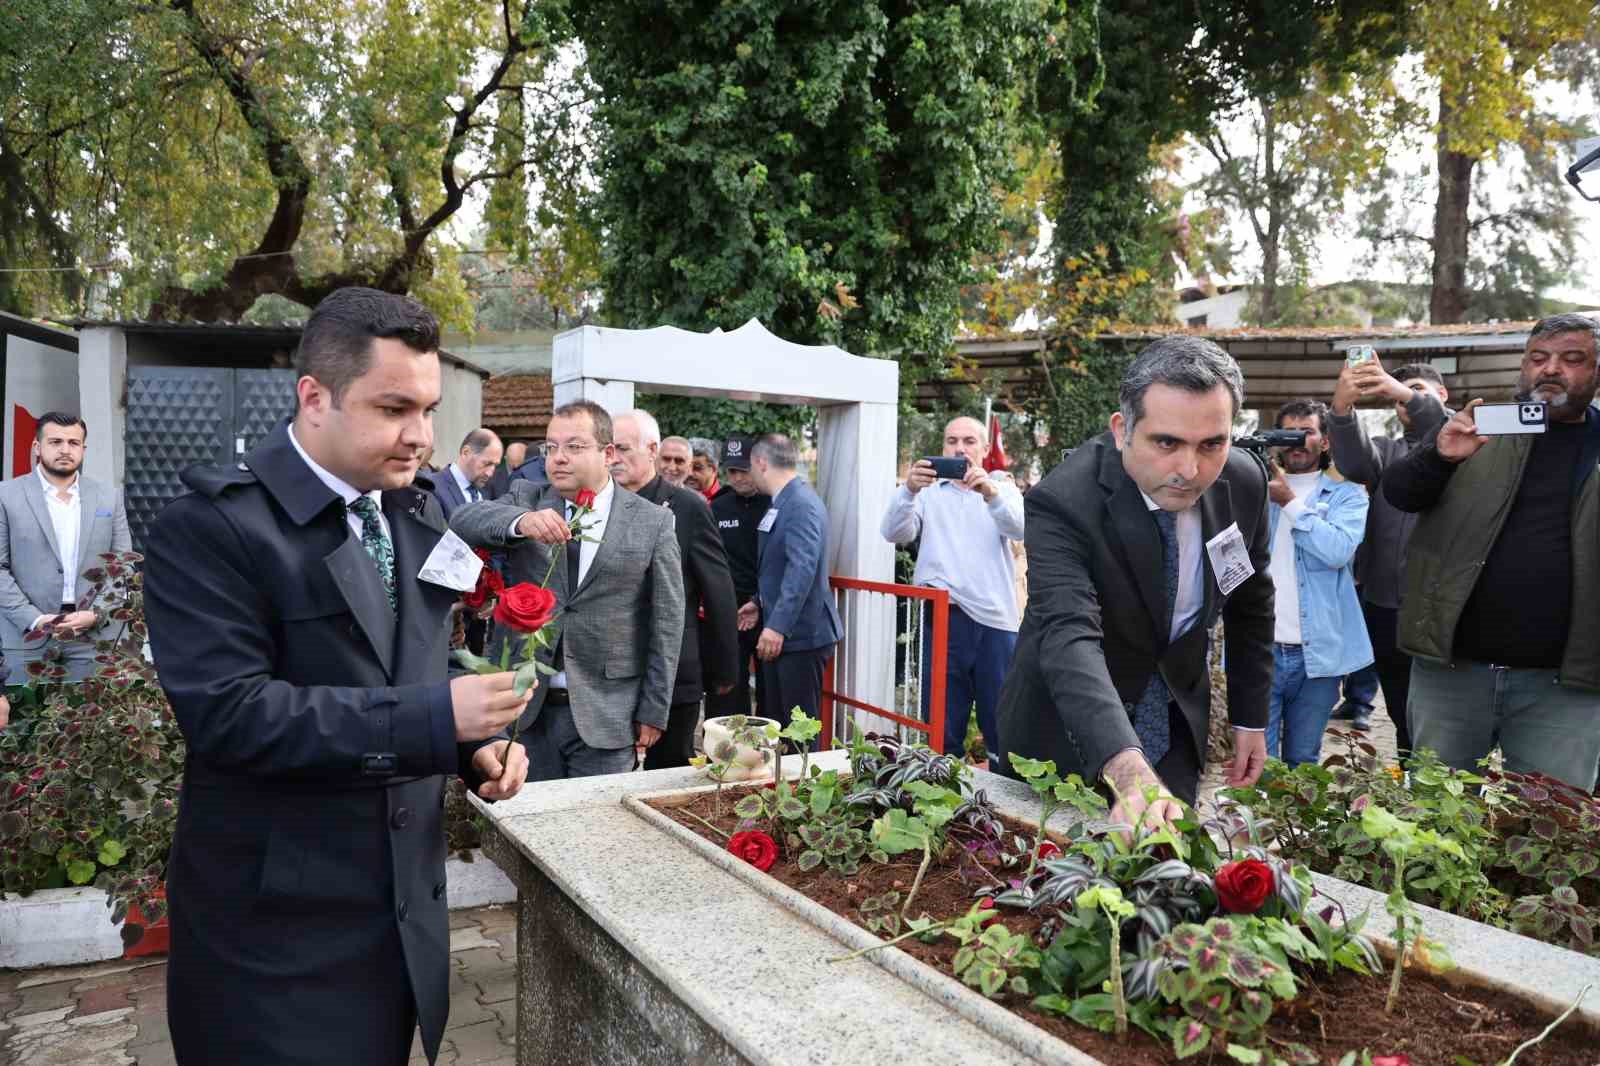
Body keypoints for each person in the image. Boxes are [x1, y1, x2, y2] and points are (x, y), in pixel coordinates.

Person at [141, 287, 531, 1065]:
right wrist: (435, 720)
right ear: (313, 397)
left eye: (428, 409)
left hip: (397, 929)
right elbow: (232, 716)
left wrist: (467, 749)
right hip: (276, 949)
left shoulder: (413, 513)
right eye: (393, 408)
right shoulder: (212, 528)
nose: (420, 435)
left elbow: (403, 671)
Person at [994, 337, 1273, 829]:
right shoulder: (1063, 501)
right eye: (1166, 443)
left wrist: (1249, 717)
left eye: (1212, 444)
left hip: (1175, 727)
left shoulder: (1245, 483)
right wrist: (1125, 768)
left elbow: (1250, 601)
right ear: (1123, 429)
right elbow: (1068, 633)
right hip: (1065, 732)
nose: (1189, 471)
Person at [1383, 312, 1600, 789]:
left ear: (1596, 372)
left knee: (1552, 837)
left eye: (1572, 359)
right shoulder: (1483, 426)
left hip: (1565, 687)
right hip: (1453, 672)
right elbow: (1399, 493)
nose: (1551, 369)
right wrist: (1439, 456)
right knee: (1431, 830)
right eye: (1538, 358)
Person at [451, 401, 685, 780]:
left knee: (597, 832)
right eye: (551, 447)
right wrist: (522, 522)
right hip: (524, 709)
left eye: (574, 447)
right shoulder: (526, 496)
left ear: (607, 454)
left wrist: (654, 709)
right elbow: (463, 519)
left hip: (607, 715)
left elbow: (667, 622)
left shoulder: (652, 522)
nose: (558, 458)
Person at [881, 416, 1024, 759]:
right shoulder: (928, 493)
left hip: (995, 620)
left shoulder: (1002, 487)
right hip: (942, 617)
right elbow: (894, 533)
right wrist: (909, 490)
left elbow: (1021, 530)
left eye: (969, 441)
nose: (959, 448)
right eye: (951, 441)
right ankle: (945, 799)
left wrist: (989, 492)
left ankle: (1007, 799)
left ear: (985, 449)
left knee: (1001, 721)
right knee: (942, 721)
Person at [1327, 359, 1450, 752]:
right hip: (1386, 604)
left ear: (1442, 396)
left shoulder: (1468, 446)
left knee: (1443, 713)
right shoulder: (1386, 451)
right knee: (1399, 707)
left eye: (1415, 391)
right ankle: (1409, 777)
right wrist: (1342, 409)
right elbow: (1353, 461)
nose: (1403, 403)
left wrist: (1403, 391)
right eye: (1397, 398)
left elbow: (1441, 425)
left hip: (1442, 607)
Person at [612, 410, 739, 768]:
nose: (614, 458)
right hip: (610, 673)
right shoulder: (599, 503)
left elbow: (718, 591)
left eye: (623, 448)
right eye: (610, 448)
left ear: (650, 449)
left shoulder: (687, 507)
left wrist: (724, 669)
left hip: (673, 671)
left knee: (666, 773)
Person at [1263, 400, 1373, 769]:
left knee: (1302, 762)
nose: (1297, 441)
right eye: (1288, 432)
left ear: (1325, 441)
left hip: (1319, 656)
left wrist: (1290, 504)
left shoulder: (1347, 494)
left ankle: (1292, 830)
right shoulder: (1253, 489)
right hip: (1259, 649)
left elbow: (1338, 550)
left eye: (1306, 431)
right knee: (1258, 761)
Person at [0, 412, 132, 683]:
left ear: (83, 449)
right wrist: (35, 619)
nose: (64, 450)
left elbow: (122, 564)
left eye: (73, 443)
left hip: (95, 637)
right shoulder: (5, 496)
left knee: (93, 725)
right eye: (55, 441)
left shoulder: (109, 497)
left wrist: (96, 613)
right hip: (27, 637)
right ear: (37, 447)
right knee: (25, 724)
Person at [745, 433, 843, 731]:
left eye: (749, 466)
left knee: (799, 731)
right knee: (779, 725)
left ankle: (802, 780)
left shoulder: (800, 503)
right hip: (788, 635)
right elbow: (778, 567)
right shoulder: (784, 501)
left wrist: (776, 626)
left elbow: (802, 569)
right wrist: (758, 603)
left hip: (801, 636)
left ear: (761, 463)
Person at [708, 434, 772, 719]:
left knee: (771, 687)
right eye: (732, 470)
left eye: (743, 470)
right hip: (730, 609)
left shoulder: (775, 503)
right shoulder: (719, 506)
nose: (737, 477)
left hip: (768, 607)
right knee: (730, 685)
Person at [431, 429, 503, 518]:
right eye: (487, 464)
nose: (490, 473)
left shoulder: (485, 491)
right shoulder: (432, 488)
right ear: (466, 452)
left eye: (495, 466)